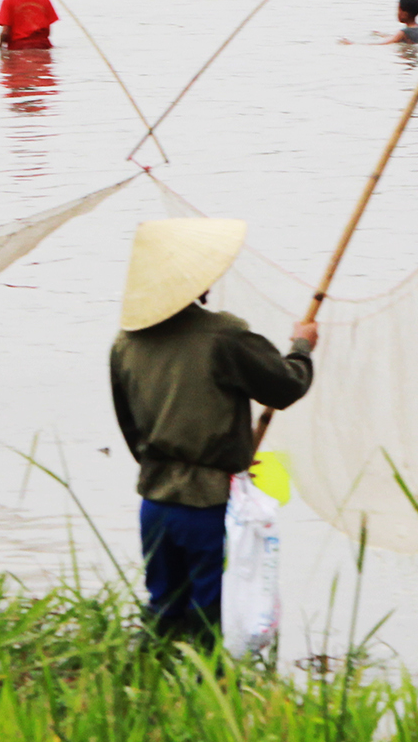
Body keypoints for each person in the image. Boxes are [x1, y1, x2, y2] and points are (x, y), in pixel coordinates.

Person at [110, 217, 315, 643]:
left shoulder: (125, 344)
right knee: (211, 618)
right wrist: (302, 347)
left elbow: (131, 429)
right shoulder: (223, 336)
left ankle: (151, 687)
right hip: (207, 505)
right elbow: (285, 386)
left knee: (164, 610)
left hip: (154, 500)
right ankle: (210, 697)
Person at [340, 0, 418, 45]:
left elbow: (384, 44)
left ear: (404, 14)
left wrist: (353, 43)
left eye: (398, 10)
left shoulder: (403, 32)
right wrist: (382, 35)